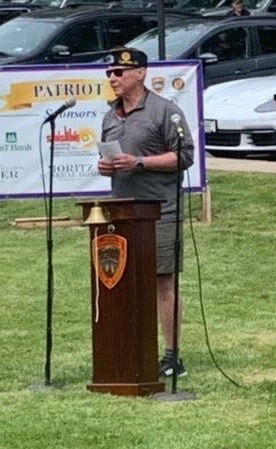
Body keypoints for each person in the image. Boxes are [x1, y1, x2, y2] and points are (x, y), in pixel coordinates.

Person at [97, 47, 194, 377]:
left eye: (119, 72)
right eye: (110, 73)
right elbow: (114, 159)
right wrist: (108, 167)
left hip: (160, 210)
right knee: (124, 282)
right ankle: (132, 347)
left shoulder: (165, 111)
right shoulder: (110, 116)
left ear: (140, 73)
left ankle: (172, 354)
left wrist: (140, 162)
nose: (113, 78)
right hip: (122, 212)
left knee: (163, 282)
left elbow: (184, 157)